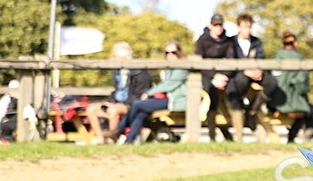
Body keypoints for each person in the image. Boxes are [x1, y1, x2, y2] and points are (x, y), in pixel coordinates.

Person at [118, 41, 188, 144]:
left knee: (137, 104)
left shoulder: (182, 67)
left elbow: (170, 85)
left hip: (176, 100)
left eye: (173, 52)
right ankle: (129, 141)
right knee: (141, 112)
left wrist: (149, 93)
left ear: (179, 53)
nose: (170, 55)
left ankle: (119, 129)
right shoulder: (168, 68)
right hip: (166, 99)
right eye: (167, 53)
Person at [86, 42, 151, 143]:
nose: (113, 59)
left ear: (124, 59)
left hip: (131, 105)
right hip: (116, 102)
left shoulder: (140, 72)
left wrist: (120, 104)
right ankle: (101, 138)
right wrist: (110, 101)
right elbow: (117, 91)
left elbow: (140, 95)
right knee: (91, 109)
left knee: (113, 110)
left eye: (115, 57)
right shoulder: (117, 72)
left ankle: (112, 138)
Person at [226, 13, 281, 133]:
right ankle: (243, 106)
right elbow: (230, 60)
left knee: (272, 83)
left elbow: (261, 57)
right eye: (245, 27)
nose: (247, 30)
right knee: (240, 81)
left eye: (249, 27)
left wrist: (258, 70)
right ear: (239, 27)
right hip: (239, 74)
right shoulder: (231, 42)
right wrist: (245, 70)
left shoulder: (257, 42)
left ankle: (252, 110)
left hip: (256, 72)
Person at [193, 13, 236, 141]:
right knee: (212, 98)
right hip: (207, 75)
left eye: (220, 25)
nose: (218, 28)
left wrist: (224, 76)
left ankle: (233, 131)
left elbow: (231, 60)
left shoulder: (228, 41)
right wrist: (214, 76)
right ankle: (213, 135)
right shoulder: (202, 41)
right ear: (210, 26)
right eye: (215, 25)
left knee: (234, 94)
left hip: (224, 76)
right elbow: (198, 62)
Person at [272, 30, 311, 143]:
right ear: (295, 43)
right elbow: (303, 87)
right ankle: (291, 139)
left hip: (273, 102)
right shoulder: (300, 58)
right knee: (308, 111)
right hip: (292, 103)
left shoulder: (276, 57)